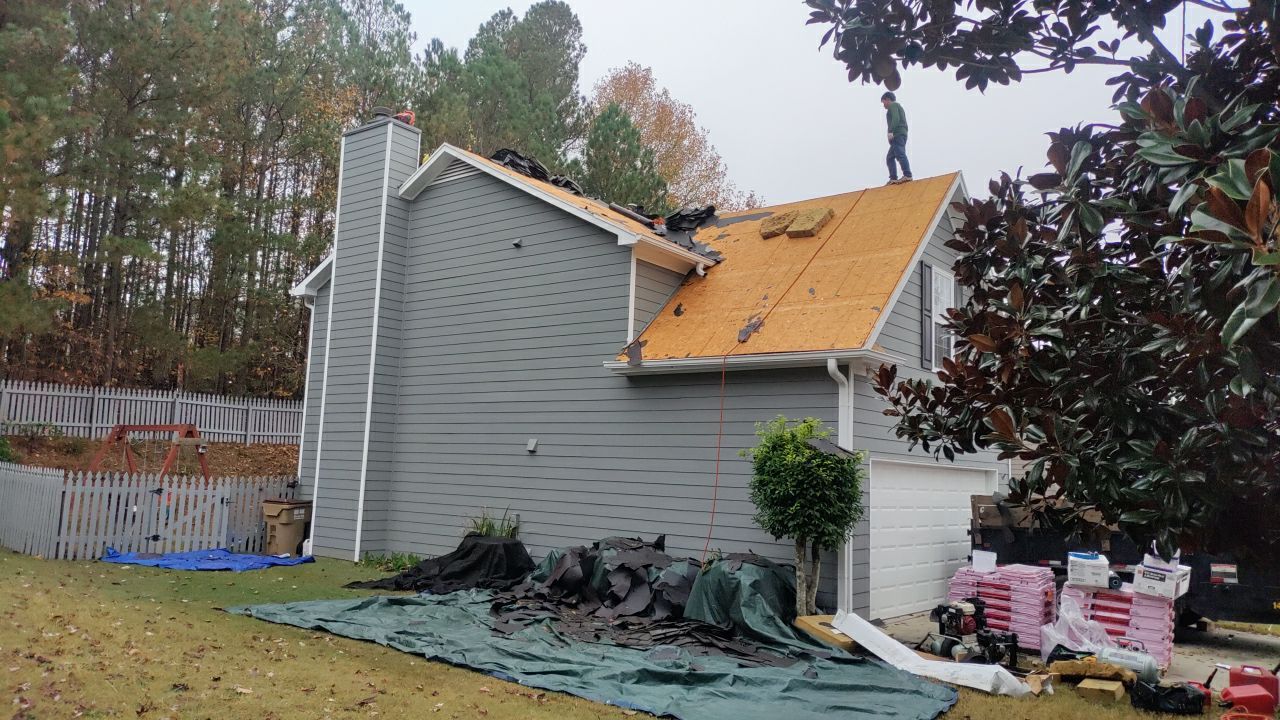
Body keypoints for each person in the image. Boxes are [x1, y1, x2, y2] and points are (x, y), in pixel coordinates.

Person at [882, 91, 912, 184]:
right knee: (890, 158)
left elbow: (896, 118)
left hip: (898, 134)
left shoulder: (893, 105)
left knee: (900, 154)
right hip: (899, 135)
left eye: (883, 102)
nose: (883, 105)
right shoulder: (896, 107)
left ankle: (907, 175)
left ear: (888, 99)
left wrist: (891, 131)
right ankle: (893, 178)